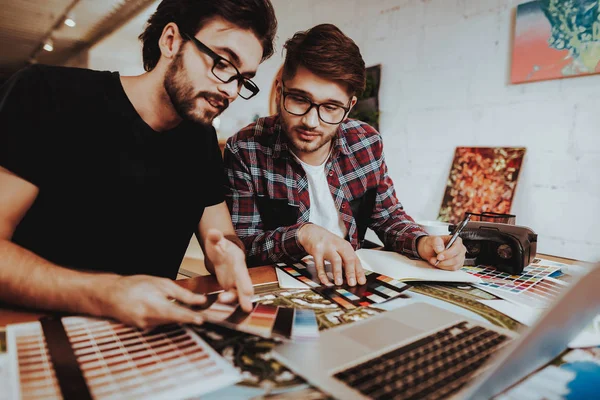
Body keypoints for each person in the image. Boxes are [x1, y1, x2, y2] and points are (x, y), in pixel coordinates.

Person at [0, 0, 277, 328]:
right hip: (33, 332)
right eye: (221, 63)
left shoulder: (200, 139)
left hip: (145, 340)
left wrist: (226, 254)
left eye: (243, 78)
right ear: (171, 40)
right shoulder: (47, 94)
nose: (230, 90)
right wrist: (108, 293)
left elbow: (222, 237)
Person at [224, 24, 466, 287]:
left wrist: (422, 242)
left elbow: (388, 217)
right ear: (281, 90)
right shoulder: (245, 148)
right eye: (299, 100)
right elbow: (242, 247)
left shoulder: (366, 143)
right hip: (279, 288)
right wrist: (301, 235)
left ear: (349, 107)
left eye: (330, 107)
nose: (311, 121)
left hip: (353, 283)